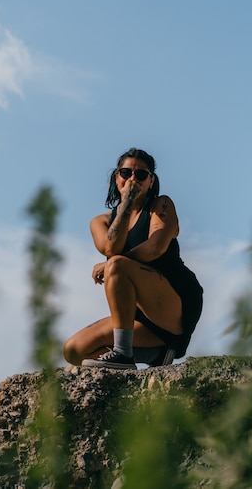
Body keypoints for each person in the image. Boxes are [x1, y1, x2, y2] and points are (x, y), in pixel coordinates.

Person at [63, 147, 203, 370]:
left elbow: (155, 247)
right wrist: (126, 205)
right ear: (116, 177)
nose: (132, 179)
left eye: (141, 175)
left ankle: (123, 353)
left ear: (151, 181)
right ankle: (154, 354)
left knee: (117, 264)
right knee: (73, 350)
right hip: (136, 319)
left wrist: (111, 264)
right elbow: (110, 246)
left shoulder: (161, 206)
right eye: (126, 173)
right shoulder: (101, 222)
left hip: (173, 304)